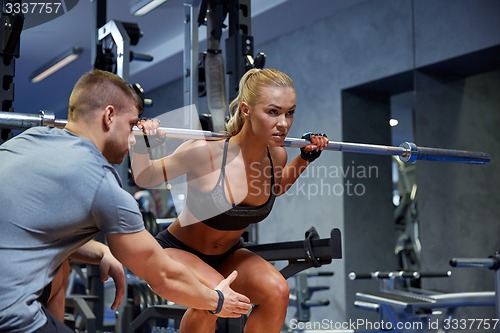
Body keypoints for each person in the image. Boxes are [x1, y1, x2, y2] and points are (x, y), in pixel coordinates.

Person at [0, 69, 251, 333]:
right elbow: (162, 276)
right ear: (109, 116)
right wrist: (218, 300)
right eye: (131, 125)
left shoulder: (23, 143)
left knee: (60, 269)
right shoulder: (99, 180)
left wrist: (102, 251)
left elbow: (26, 234)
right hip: (10, 320)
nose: (133, 139)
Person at [131, 68, 329, 333]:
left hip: (229, 254)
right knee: (217, 297)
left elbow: (276, 187)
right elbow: (146, 175)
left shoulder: (277, 156)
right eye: (273, 112)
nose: (283, 123)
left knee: (277, 290)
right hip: (177, 251)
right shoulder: (206, 153)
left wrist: (304, 159)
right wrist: (141, 143)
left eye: (289, 112)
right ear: (246, 110)